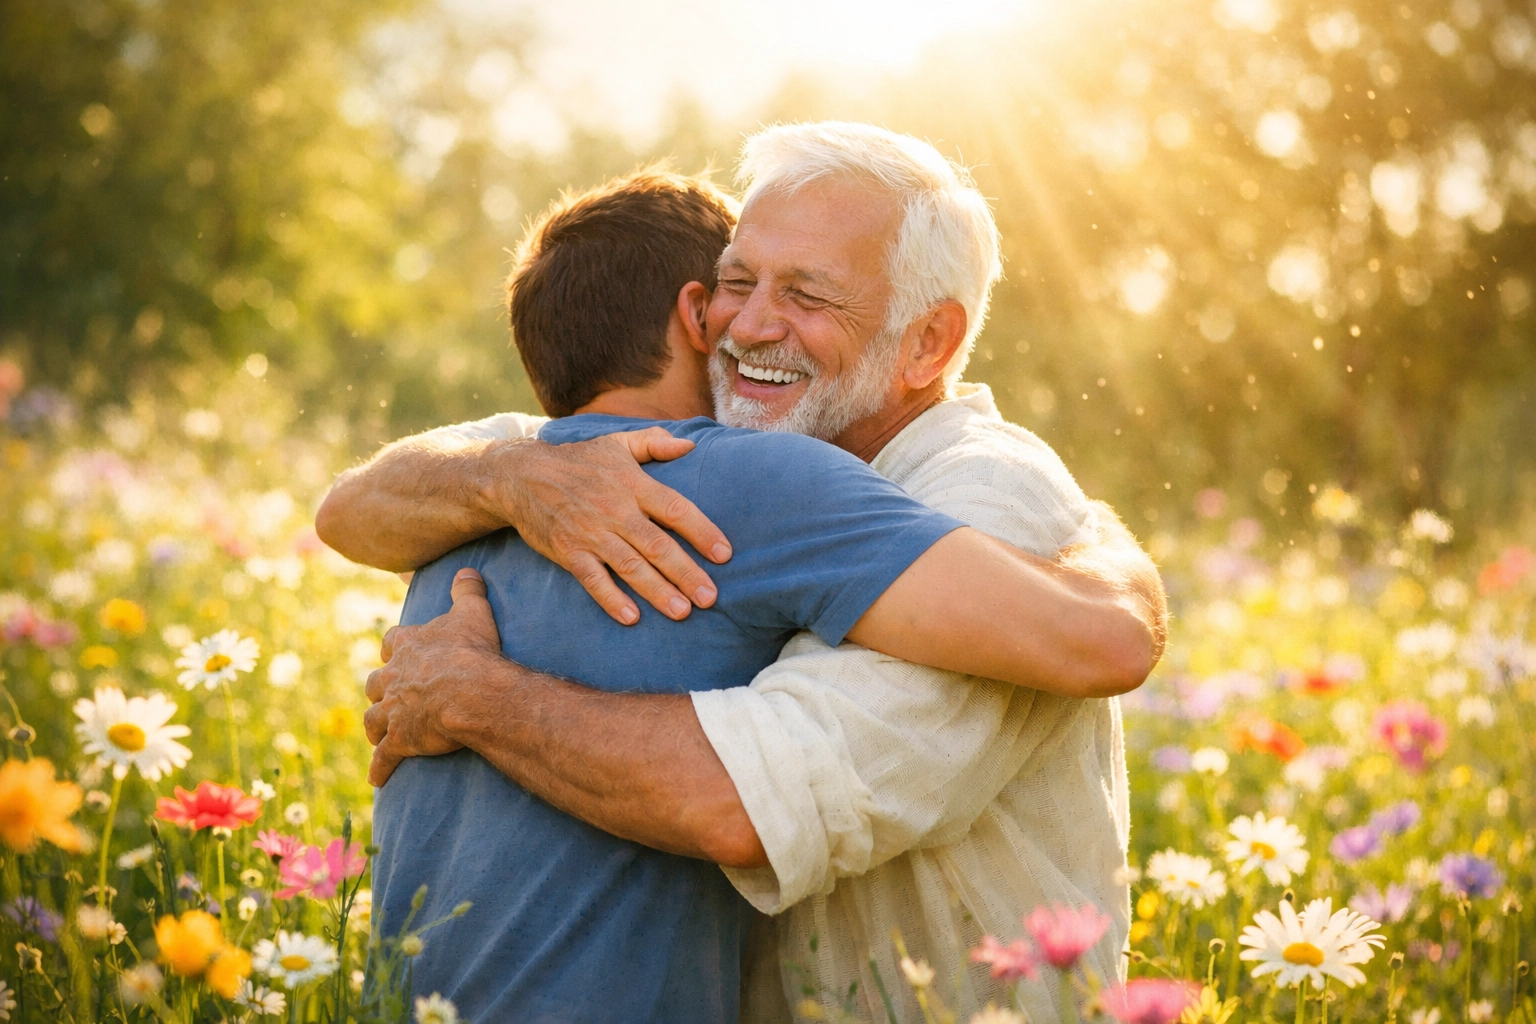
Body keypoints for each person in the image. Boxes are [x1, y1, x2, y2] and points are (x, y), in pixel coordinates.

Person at [323, 125, 1167, 1023]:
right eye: (737, 282)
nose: (750, 326)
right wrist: (510, 475)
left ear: (928, 344)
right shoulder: (668, 461)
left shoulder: (980, 495)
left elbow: (739, 801)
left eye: (806, 295)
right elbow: (350, 508)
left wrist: (470, 695)